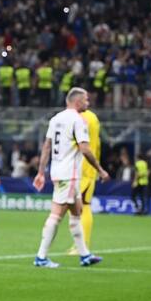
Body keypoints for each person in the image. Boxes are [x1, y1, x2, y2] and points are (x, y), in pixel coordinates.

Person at [32, 87, 109, 268]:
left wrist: (41, 172)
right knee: (56, 214)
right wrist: (100, 169)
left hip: (59, 171)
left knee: (77, 212)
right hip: (70, 174)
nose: (88, 104)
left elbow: (46, 147)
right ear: (77, 101)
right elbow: (85, 148)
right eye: (86, 100)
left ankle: (85, 255)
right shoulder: (78, 120)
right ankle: (41, 257)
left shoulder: (55, 119)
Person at [67, 105, 101, 254]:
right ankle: (80, 245)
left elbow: (77, 144)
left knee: (82, 206)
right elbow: (97, 145)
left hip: (82, 168)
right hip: (87, 168)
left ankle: (83, 246)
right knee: (77, 207)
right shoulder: (93, 117)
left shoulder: (80, 118)